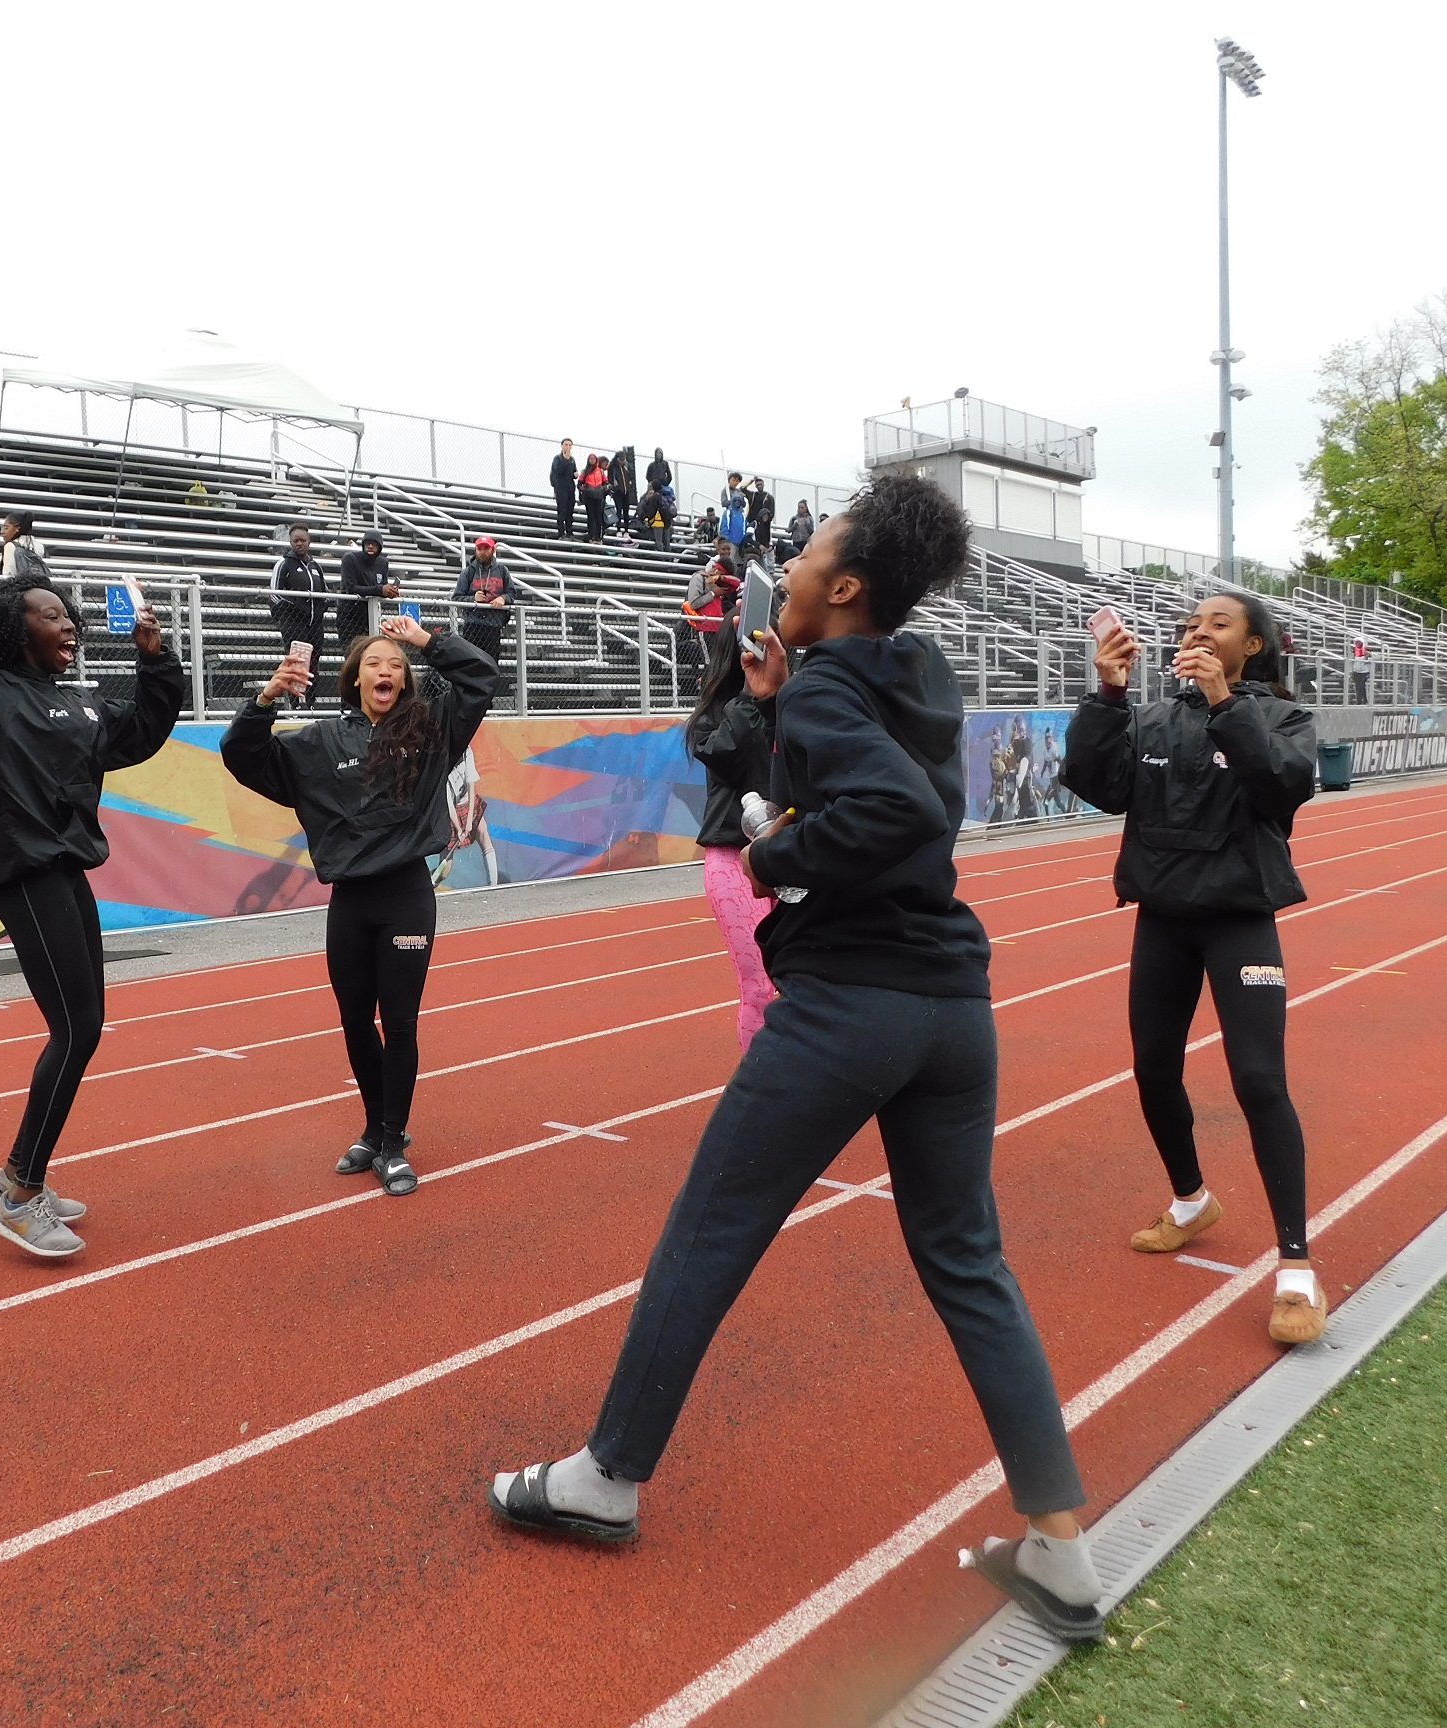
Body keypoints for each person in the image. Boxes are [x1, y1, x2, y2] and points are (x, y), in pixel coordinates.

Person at [489, 473, 1105, 1647]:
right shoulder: (910, 673)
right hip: (951, 1007)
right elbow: (909, 786)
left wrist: (776, 858)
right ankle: (1062, 1550)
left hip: (846, 1007)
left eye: (809, 552)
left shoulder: (826, 689)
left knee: (707, 1234)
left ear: (847, 587)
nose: (790, 565)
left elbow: (890, 814)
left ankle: (605, 1477)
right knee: (969, 1261)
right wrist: (781, 706)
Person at [0, 515, 186, 1258]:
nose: (67, 624)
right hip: (23, 871)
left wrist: (154, 658)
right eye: (50, 614)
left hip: (66, 869)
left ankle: (17, 1178)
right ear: (15, 628)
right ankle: (21, 1188)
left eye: (69, 615)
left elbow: (146, 730)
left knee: (83, 1026)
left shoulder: (86, 704)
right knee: (78, 1030)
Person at [1060, 590, 1326, 1346]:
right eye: (1191, 625)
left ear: (1253, 647)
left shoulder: (1282, 718)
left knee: (1258, 1081)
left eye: (1219, 625)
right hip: (1164, 916)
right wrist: (1108, 691)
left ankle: (1298, 1267)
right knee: (1152, 1069)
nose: (1197, 633)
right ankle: (1188, 1202)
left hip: (1240, 918)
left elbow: (1280, 787)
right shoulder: (1148, 716)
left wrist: (1223, 702)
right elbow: (1096, 783)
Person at [220, 615, 497, 1195]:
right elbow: (242, 755)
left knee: (398, 1021)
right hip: (348, 902)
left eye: (396, 665)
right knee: (353, 1019)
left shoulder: (428, 730)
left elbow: (480, 678)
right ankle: (375, 1127)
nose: (387, 671)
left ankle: (394, 1142)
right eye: (375, 663)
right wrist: (267, 695)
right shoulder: (319, 743)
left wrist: (425, 640)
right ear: (354, 678)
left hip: (406, 898)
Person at [686, 616, 777, 1049]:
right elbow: (725, 754)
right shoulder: (714, 718)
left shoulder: (794, 704)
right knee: (760, 986)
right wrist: (750, 695)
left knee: (800, 984)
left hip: (795, 857)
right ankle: (765, 1093)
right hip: (732, 861)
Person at [266, 523, 328, 704]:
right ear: (290, 542)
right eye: (296, 541)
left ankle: (311, 703)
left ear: (310, 542)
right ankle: (294, 705)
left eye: (303, 540)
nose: (299, 544)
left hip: (315, 624)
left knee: (314, 663)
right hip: (293, 623)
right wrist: (293, 609)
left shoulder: (316, 566)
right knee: (295, 663)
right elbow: (275, 594)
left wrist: (320, 609)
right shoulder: (284, 564)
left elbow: (324, 592)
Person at [453, 535, 513, 665]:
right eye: (480, 548)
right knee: (470, 664)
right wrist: (472, 599)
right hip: (472, 625)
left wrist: (503, 598)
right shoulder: (467, 572)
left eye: (486, 548)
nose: (483, 551)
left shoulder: (502, 571)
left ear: (493, 550)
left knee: (491, 665)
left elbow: (512, 593)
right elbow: (456, 598)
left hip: (493, 626)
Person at [338, 528, 401, 648]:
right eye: (368, 543)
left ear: (380, 547)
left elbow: (381, 587)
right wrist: (380, 589)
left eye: (374, 544)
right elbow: (350, 587)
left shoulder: (383, 563)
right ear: (363, 544)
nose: (371, 546)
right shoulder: (350, 559)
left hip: (371, 616)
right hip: (349, 617)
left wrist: (389, 591)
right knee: (353, 657)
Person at [0, 510, 51, 583]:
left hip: (20, 588)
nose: (2, 532)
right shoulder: (39, 546)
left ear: (17, 528)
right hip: (39, 586)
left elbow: (8, 574)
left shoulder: (10, 546)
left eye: (6, 528)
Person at [550, 439, 578, 540]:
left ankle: (570, 532)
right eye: (566, 445)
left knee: (570, 511)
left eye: (570, 445)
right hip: (561, 488)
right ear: (562, 446)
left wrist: (576, 475)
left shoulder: (572, 459)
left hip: (570, 488)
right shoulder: (558, 458)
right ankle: (561, 532)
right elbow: (557, 471)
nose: (568, 447)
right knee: (562, 510)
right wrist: (565, 460)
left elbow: (573, 472)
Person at [580, 454, 611, 543]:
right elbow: (579, 483)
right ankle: (591, 536)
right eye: (590, 459)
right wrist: (585, 489)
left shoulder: (600, 471)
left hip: (599, 496)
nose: (592, 460)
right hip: (589, 497)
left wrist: (603, 489)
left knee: (598, 517)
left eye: (593, 459)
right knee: (591, 517)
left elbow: (606, 482)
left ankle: (598, 537)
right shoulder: (585, 471)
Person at [717, 473, 750, 553]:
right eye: (733, 480)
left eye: (737, 481)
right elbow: (723, 503)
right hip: (732, 516)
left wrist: (743, 498)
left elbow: (744, 504)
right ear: (729, 480)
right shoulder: (725, 491)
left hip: (739, 516)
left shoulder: (739, 491)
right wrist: (732, 501)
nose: (735, 482)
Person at [609, 446, 638, 537]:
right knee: (618, 510)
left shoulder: (626, 467)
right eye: (621, 459)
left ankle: (626, 530)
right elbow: (610, 479)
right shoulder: (613, 468)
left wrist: (630, 486)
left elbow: (631, 477)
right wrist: (615, 488)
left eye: (624, 459)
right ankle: (618, 529)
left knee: (626, 511)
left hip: (626, 492)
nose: (623, 460)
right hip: (618, 493)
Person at [1351, 635, 1370, 704]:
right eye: (1356, 643)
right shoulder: (1353, 652)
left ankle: (1365, 699)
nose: (1358, 644)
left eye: (1359, 642)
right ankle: (1359, 700)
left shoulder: (1366, 651)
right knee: (1357, 686)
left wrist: (1367, 657)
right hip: (1356, 671)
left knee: (1362, 685)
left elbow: (1372, 659)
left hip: (1364, 671)